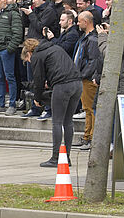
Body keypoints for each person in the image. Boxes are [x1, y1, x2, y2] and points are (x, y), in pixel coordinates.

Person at [21, 38, 82, 168]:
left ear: (28, 53)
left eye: (27, 60)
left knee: (57, 122)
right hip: (77, 84)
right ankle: (66, 158)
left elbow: (38, 80)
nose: (29, 62)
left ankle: (55, 158)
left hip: (62, 86)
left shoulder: (37, 55)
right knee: (68, 121)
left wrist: (37, 99)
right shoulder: (54, 48)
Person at [73, 11, 102, 150]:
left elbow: (93, 61)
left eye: (79, 21)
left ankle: (90, 138)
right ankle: (87, 136)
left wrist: (83, 74)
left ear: (87, 21)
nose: (77, 23)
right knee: (88, 109)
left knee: (90, 109)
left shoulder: (92, 39)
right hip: (84, 77)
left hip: (88, 79)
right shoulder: (86, 38)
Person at [0, 0, 22, 116]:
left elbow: (17, 33)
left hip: (6, 50)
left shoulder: (13, 14)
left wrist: (10, 48)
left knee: (10, 77)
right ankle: (0, 103)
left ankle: (12, 104)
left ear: (5, 0)